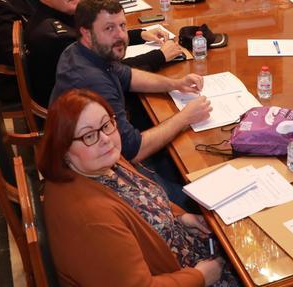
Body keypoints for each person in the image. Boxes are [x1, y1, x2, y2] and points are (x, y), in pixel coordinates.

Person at [38, 89, 237, 286]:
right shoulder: (91, 219)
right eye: (89, 136)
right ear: (63, 149)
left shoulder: (99, 164)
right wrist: (201, 277)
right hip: (181, 274)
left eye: (106, 124)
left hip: (184, 253)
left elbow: (143, 198)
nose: (105, 139)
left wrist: (181, 218)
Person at [50, 0, 212, 208]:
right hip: (102, 176)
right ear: (86, 34)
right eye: (109, 28)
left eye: (122, 26)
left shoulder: (84, 51)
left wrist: (176, 84)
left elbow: (128, 76)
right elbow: (132, 151)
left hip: (98, 159)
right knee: (199, 201)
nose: (121, 36)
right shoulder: (91, 80)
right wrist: (184, 117)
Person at [26, 0, 183, 107]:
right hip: (73, 111)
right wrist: (160, 56)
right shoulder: (55, 36)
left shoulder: (56, 13)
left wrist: (140, 34)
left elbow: (98, 41)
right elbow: (111, 72)